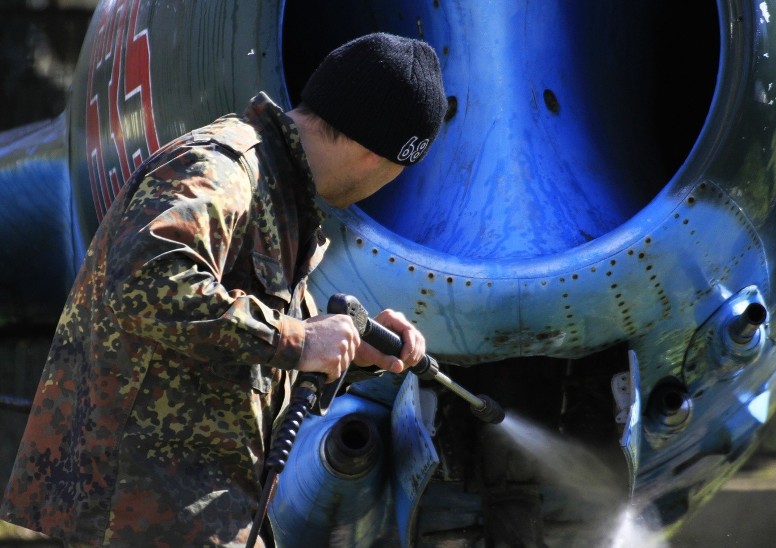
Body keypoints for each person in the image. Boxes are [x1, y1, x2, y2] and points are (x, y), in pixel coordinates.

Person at [1, 32, 447, 546]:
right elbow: (144, 282)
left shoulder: (279, 196)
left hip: (192, 513)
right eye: (398, 173)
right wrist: (299, 339)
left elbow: (238, 351)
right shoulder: (224, 169)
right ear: (377, 155)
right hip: (144, 514)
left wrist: (353, 353)